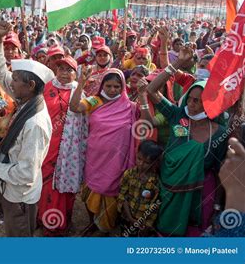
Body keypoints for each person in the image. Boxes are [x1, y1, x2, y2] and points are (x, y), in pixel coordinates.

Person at [0, 21, 54, 237]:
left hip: (21, 194)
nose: (11, 82)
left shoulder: (35, 124)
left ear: (30, 86)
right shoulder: (26, 101)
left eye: (17, 79)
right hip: (12, 190)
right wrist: (0, 40)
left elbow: (26, 174)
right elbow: (0, 71)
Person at [146, 46, 228, 236]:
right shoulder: (177, 115)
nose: (191, 104)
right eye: (190, 99)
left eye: (197, 101)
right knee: (165, 228)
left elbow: (220, 170)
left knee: (191, 233)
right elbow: (151, 90)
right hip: (169, 185)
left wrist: (216, 203)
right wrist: (177, 63)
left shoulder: (220, 132)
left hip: (200, 192)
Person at [70, 68, 138, 235]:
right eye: (108, 86)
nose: (113, 90)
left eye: (117, 86)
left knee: (111, 190)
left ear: (123, 86)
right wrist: (81, 84)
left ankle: (106, 225)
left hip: (117, 160)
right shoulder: (95, 101)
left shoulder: (130, 106)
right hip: (95, 157)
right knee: (91, 189)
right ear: (102, 85)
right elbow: (74, 107)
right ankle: (92, 222)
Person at [38, 56, 87, 236]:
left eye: (69, 70)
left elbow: (85, 122)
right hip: (46, 145)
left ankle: (60, 224)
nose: (65, 73)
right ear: (55, 70)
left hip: (69, 151)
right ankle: (44, 219)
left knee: (64, 187)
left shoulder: (80, 91)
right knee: (45, 185)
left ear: (76, 73)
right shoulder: (45, 88)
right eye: (61, 69)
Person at [117, 140, 162, 237]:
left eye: (146, 162)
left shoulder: (155, 182)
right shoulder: (128, 174)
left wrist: (147, 225)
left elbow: (155, 206)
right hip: (127, 218)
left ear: (154, 163)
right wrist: (130, 218)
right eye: (139, 159)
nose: (141, 164)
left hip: (144, 223)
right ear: (136, 154)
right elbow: (122, 196)